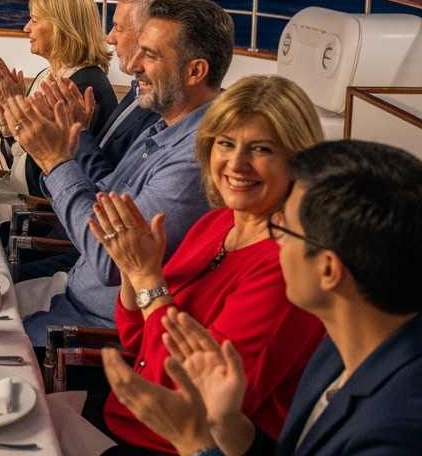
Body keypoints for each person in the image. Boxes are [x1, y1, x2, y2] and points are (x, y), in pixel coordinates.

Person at [100, 139, 422, 456]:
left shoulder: (395, 432)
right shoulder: (342, 347)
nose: (275, 237)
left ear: (328, 270)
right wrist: (227, 423)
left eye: (286, 228)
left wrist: (194, 440)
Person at [91, 75, 327, 453]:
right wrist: (130, 272)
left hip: (169, 445)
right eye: (226, 143)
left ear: (298, 160)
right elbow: (139, 341)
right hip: (125, 417)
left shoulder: (287, 266)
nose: (237, 163)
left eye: (261, 149)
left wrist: (148, 275)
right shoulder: (215, 224)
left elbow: (196, 396)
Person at [10, 0, 236, 342]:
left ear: (195, 71)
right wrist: (60, 158)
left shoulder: (195, 159)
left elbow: (111, 260)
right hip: (69, 289)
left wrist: (57, 163)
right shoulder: (163, 127)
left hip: (84, 329)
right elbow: (102, 203)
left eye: (151, 55)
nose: (132, 65)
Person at [36, 0, 189, 186]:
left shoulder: (161, 105)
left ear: (150, 33)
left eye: (118, 27)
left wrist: (78, 132)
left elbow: (112, 190)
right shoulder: (138, 91)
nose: (109, 38)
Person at [0, 0, 120, 198]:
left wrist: (19, 118)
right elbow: (18, 163)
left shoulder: (77, 88)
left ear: (61, 27)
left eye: (34, 20)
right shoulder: (48, 76)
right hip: (17, 192)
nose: (26, 27)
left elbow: (46, 178)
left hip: (33, 210)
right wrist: (9, 123)